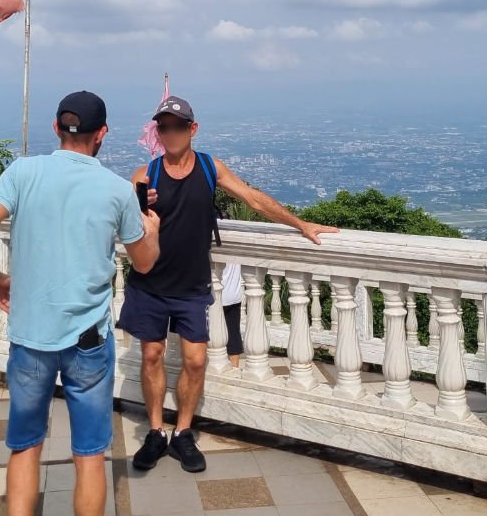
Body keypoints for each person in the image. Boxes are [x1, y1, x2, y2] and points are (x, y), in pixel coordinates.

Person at [0, 91, 161, 516]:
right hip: (88, 340)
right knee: (89, 455)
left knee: (25, 447)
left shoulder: (22, 172)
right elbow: (143, 263)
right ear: (102, 134)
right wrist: (153, 231)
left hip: (30, 335)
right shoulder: (116, 190)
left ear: (56, 127)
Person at [119, 95, 338, 473]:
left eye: (178, 126)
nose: (171, 133)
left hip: (191, 285)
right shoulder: (145, 175)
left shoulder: (209, 167)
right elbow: (123, 221)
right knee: (151, 356)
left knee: (196, 360)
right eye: (164, 127)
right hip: (149, 284)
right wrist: (138, 206)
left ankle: (183, 432)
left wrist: (301, 224)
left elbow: (253, 199)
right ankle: (155, 432)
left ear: (193, 129)